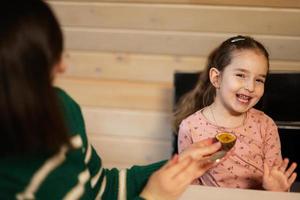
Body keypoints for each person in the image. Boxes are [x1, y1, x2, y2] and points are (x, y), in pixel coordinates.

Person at [0, 1, 222, 199]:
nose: (63, 66)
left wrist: (177, 164)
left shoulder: (62, 107)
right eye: (50, 58)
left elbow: (101, 187)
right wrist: (154, 196)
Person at [174, 35, 298, 191]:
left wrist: (278, 190)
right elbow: (190, 189)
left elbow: (276, 184)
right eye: (240, 75)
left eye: (259, 80)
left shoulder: (266, 125)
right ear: (216, 78)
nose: (251, 87)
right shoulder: (190, 127)